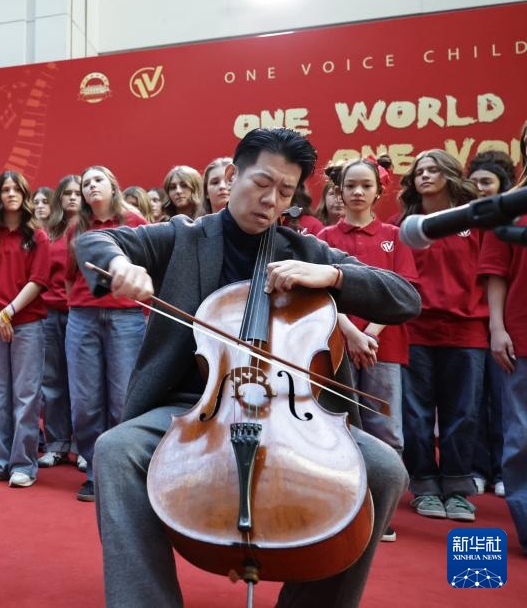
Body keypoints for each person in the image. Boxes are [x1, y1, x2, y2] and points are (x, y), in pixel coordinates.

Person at [76, 127, 420, 607]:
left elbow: (405, 297)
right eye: (262, 183)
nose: (271, 200)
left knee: (383, 470)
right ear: (232, 175)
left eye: (285, 192)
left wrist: (334, 275)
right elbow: (98, 241)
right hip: (192, 408)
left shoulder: (305, 251)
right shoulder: (183, 236)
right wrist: (120, 265)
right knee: (116, 450)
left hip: (290, 408)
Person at [317, 159, 418, 542]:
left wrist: (369, 333)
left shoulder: (395, 235)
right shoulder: (324, 235)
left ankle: (380, 510)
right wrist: (351, 333)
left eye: (365, 185)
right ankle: (340, 506)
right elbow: (321, 294)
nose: (357, 192)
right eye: (350, 186)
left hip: (383, 346)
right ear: (339, 192)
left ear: (379, 190)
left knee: (386, 429)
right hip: (333, 344)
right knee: (337, 424)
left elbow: (404, 290)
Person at [398, 149, 487, 523]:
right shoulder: (406, 226)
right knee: (415, 415)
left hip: (467, 330)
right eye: (419, 171)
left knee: (462, 413)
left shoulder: (475, 221)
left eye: (433, 170)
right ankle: (424, 486)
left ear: (450, 175)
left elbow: (490, 274)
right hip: (416, 330)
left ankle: (457, 488)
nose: (424, 176)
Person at [66, 165, 148, 501]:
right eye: (85, 184)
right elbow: (70, 276)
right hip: (82, 317)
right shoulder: (77, 228)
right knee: (84, 401)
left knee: (122, 399)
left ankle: (120, 471)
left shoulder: (135, 222)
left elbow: (147, 269)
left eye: (98, 180)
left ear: (113, 186)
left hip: (126, 318)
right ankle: (93, 470)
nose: (91, 187)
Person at [0, 170, 49, 487]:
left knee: (26, 396)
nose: (11, 194)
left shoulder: (37, 236)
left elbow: (37, 281)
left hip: (27, 324)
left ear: (24, 195)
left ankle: (23, 465)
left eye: (16, 189)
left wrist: (8, 313)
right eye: (5, 189)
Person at [478, 170, 527, 555]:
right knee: (521, 436)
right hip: (521, 334)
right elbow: (496, 271)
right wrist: (497, 327)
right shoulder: (510, 207)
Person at [466, 149, 515, 497]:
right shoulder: (457, 223)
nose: (480, 189)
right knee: (473, 403)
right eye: (475, 183)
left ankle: (503, 471)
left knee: (502, 403)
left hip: (503, 325)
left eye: (487, 182)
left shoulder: (508, 223)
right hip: (469, 325)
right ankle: (478, 468)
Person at [38, 174, 81, 467]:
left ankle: (83, 446)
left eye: (78, 192)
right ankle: (56, 444)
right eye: (67, 193)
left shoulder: (92, 228)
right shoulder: (50, 232)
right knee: (52, 381)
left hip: (82, 313)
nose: (73, 197)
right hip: (49, 312)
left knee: (83, 383)